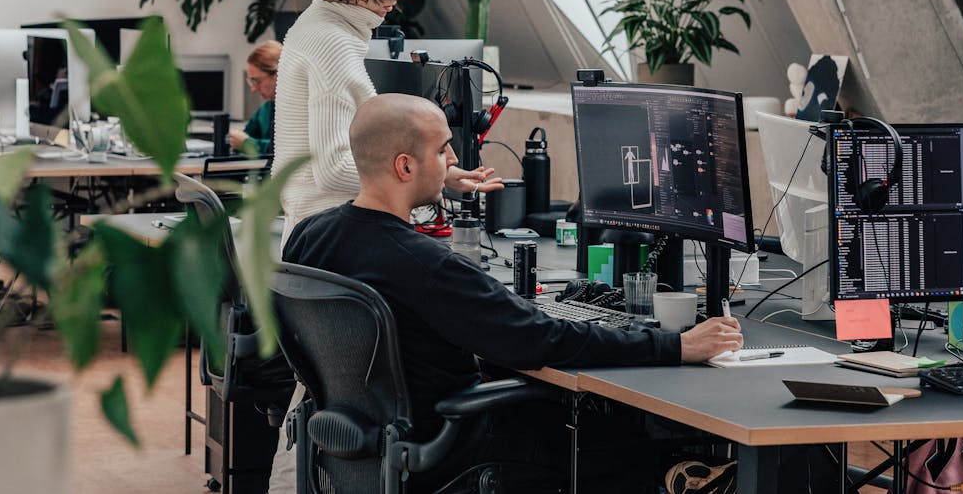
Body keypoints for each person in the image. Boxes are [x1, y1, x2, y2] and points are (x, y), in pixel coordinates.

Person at [282, 94, 745, 490]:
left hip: (366, 446)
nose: (453, 161)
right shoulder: (427, 264)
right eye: (444, 150)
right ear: (404, 165)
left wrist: (433, 177)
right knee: (625, 438)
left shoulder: (310, 235)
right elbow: (540, 338)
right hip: (457, 447)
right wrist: (676, 345)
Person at [272, 0, 500, 244]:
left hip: (316, 235)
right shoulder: (331, 42)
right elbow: (333, 170)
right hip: (334, 239)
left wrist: (442, 174)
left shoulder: (316, 26)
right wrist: (430, 176)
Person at [229, 40, 280, 157]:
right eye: (251, 81)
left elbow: (284, 149)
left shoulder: (298, 109)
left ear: (277, 75)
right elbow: (247, 134)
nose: (253, 89)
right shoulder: (266, 108)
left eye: (257, 81)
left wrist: (247, 144)